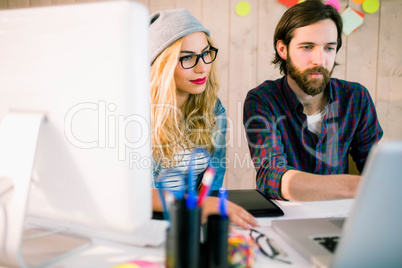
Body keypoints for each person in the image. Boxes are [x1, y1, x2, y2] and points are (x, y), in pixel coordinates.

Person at [243, 0, 383, 201]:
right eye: (307, 47)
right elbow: (272, 174)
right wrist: (358, 186)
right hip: (285, 217)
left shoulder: (356, 98)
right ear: (283, 49)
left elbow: (375, 167)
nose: (320, 60)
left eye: (329, 48)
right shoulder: (263, 100)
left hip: (340, 216)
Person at [149, 8, 258, 229]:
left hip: (194, 222)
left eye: (206, 53)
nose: (202, 67)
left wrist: (207, 213)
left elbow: (214, 177)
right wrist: (197, 205)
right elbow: (135, 195)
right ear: (162, 65)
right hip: (152, 226)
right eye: (187, 57)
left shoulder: (213, 108)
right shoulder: (137, 114)